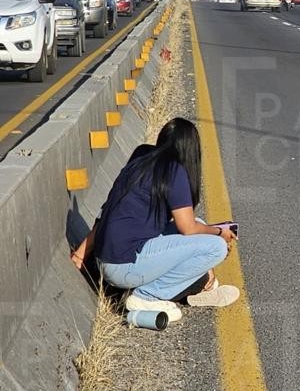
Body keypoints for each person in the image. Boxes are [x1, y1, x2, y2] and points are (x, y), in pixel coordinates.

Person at [70, 118, 239, 322]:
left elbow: (109, 211)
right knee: (216, 247)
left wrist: (81, 254)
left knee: (200, 224)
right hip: (123, 267)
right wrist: (221, 232)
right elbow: (188, 228)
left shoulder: (142, 155)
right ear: (191, 151)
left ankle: (206, 284)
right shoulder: (175, 171)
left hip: (106, 259)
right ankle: (148, 296)